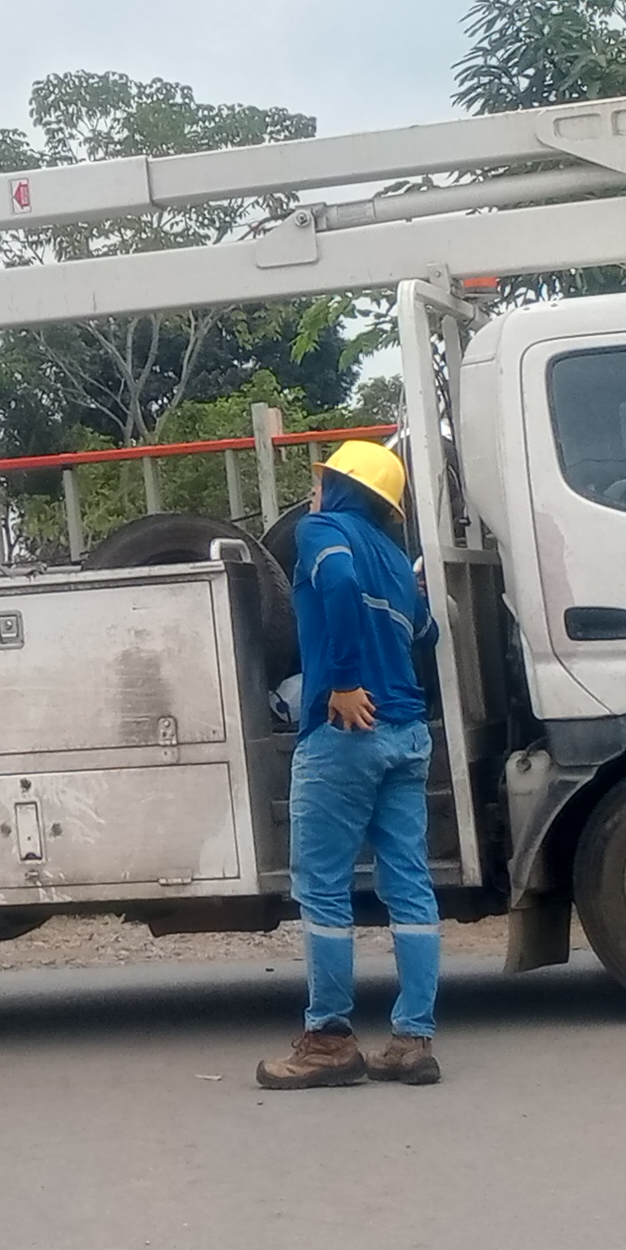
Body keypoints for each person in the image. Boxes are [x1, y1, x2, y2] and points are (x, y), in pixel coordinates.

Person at [258, 437, 446, 1090]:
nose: (312, 492)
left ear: (343, 489)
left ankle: (330, 1040)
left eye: (321, 481)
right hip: (407, 734)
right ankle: (413, 1039)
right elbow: (428, 632)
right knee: (410, 885)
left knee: (323, 888)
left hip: (346, 731)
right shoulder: (394, 558)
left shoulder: (322, 531)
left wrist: (341, 679)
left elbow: (336, 581)